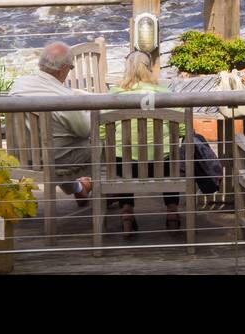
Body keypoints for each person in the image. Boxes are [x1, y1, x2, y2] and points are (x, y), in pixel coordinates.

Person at [107, 51, 182, 236]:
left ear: (126, 70)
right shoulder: (166, 94)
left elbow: (102, 132)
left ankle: (127, 212)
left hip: (127, 168)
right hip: (162, 166)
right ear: (149, 69)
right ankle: (172, 210)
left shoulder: (113, 95)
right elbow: (182, 130)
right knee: (169, 156)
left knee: (122, 156)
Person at [10, 43, 93, 204]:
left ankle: (78, 189)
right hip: (54, 160)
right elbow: (85, 130)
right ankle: (113, 196)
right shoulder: (64, 98)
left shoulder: (19, 85)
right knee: (96, 147)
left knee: (56, 142)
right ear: (63, 69)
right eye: (71, 67)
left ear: (41, 64)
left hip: (20, 156)